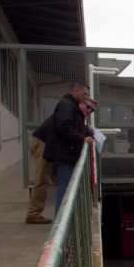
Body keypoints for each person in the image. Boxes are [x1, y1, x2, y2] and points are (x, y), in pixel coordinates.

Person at [43, 82, 95, 212]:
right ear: (76, 90)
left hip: (67, 153)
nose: (86, 97)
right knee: (64, 187)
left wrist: (86, 133)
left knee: (66, 187)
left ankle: (62, 215)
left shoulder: (72, 106)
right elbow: (64, 128)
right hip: (65, 154)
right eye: (84, 94)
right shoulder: (67, 105)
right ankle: (60, 217)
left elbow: (75, 127)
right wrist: (82, 138)